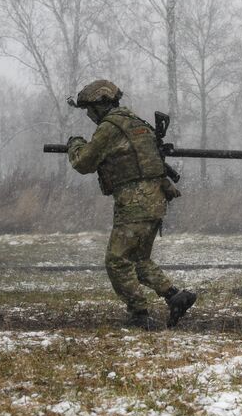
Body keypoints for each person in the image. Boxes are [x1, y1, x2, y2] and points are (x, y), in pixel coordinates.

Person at [66, 79, 197, 331]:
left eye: (90, 110)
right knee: (138, 259)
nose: (89, 116)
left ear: (101, 105)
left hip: (135, 202)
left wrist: (74, 144)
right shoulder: (138, 123)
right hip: (156, 199)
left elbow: (84, 162)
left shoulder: (110, 126)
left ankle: (139, 313)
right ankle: (175, 296)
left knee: (116, 260)